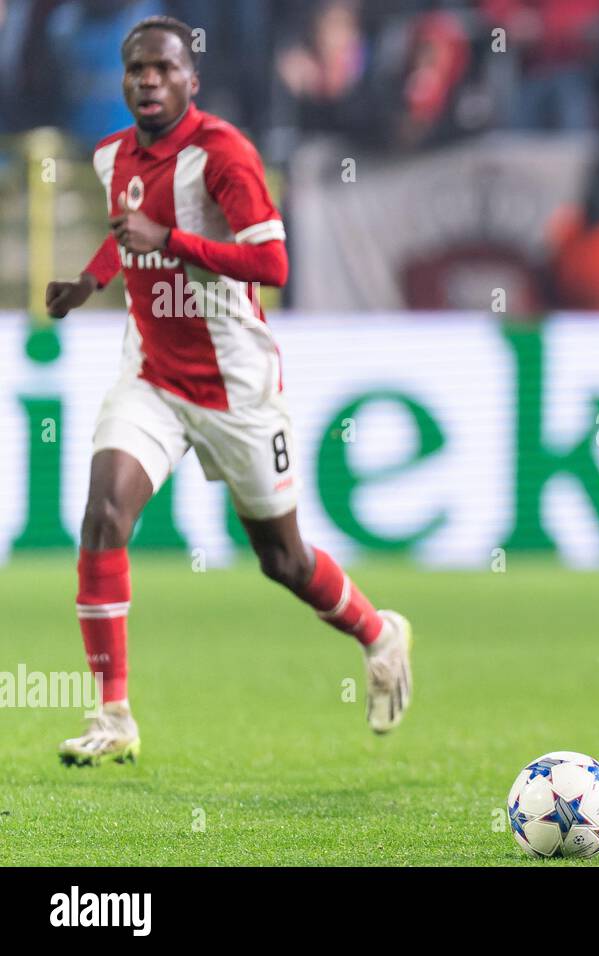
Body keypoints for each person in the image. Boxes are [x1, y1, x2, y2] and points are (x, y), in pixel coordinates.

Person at [45, 16, 413, 766]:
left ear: (191, 79)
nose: (148, 81)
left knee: (282, 560)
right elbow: (127, 231)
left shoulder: (224, 154)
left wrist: (172, 242)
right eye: (136, 70)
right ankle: (113, 716)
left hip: (237, 387)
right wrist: (89, 281)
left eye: (163, 69)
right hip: (150, 374)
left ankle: (380, 634)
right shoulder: (112, 154)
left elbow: (272, 262)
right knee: (102, 516)